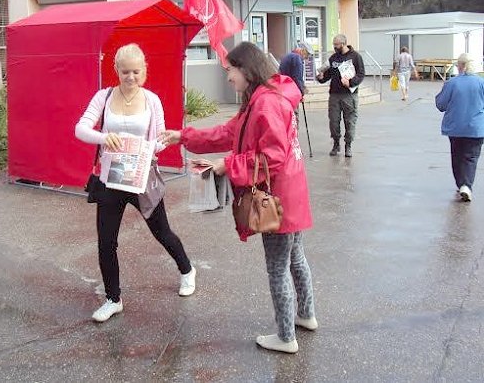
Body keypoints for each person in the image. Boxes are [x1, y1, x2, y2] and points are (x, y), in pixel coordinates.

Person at [160, 41, 316, 354]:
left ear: (246, 69)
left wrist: (225, 165)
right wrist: (184, 136)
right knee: (295, 257)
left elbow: (272, 157)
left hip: (274, 200)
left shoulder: (265, 104)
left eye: (230, 70)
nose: (228, 77)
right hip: (290, 195)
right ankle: (306, 315)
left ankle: (286, 337)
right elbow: (230, 133)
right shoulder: (265, 97)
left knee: (277, 268)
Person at [75, 43, 196, 323]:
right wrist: (104, 138)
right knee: (106, 241)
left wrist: (147, 149)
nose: (130, 77)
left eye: (136, 72)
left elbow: (162, 139)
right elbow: (80, 128)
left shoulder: (152, 100)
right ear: (116, 70)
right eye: (125, 71)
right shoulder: (103, 97)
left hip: (141, 176)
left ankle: (187, 270)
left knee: (162, 232)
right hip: (110, 178)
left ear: (145, 71)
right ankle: (112, 298)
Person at [435, 53, 484, 202]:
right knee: (471, 158)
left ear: (461, 66)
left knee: (457, 157)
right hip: (476, 127)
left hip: (455, 127)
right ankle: (466, 185)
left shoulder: (452, 83)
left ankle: (461, 184)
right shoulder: (481, 83)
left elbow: (440, 104)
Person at [317, 34, 365, 158]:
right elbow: (327, 75)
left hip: (349, 95)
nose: (334, 47)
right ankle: (336, 144)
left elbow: (361, 74)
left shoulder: (355, 57)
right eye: (334, 44)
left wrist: (351, 82)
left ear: (343, 44)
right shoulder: (333, 58)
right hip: (334, 95)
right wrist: (321, 77)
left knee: (350, 121)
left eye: (336, 44)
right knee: (333, 121)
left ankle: (348, 145)